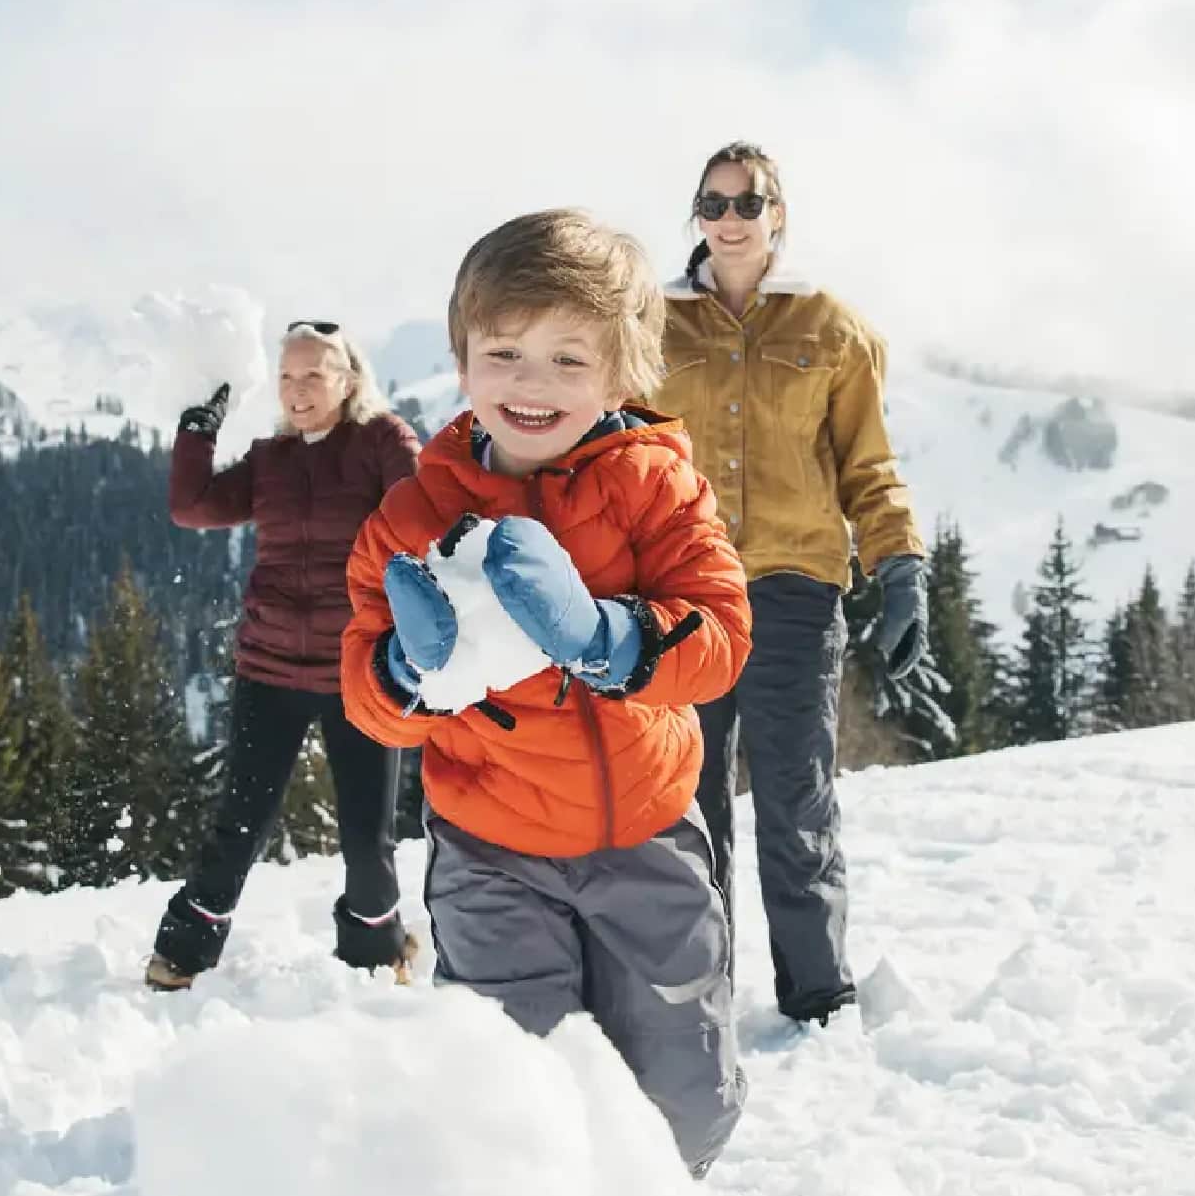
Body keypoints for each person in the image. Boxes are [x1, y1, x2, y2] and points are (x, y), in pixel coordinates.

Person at [341, 210, 752, 1177]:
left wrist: (610, 636)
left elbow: (723, 634)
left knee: (685, 1102)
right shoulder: (413, 516)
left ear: (622, 373)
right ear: (461, 358)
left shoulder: (656, 486)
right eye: (505, 352)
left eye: (570, 360)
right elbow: (364, 691)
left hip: (646, 836)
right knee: (508, 1093)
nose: (531, 384)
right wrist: (410, 674)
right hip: (492, 851)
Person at [654, 141, 928, 1027]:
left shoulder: (831, 328)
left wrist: (900, 566)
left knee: (792, 794)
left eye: (747, 202)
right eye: (713, 203)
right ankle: (698, 991)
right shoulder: (652, 325)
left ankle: (815, 994)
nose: (729, 219)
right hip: (682, 590)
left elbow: (868, 466)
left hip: (793, 587)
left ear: (779, 215)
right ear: (695, 216)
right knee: (685, 800)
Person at [147, 321, 423, 991]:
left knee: (366, 837)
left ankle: (374, 953)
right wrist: (197, 429)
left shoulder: (380, 442)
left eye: (313, 374)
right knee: (237, 823)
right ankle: (180, 955)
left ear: (348, 378)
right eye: (287, 376)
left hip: (356, 670)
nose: (297, 390)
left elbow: (421, 513)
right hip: (267, 670)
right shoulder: (270, 458)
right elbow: (191, 507)